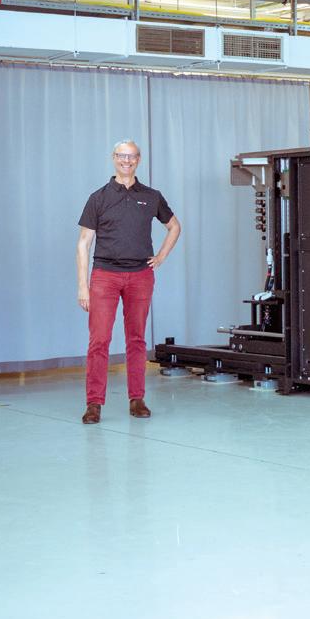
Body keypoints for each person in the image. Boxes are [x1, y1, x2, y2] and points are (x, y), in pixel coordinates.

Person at [77, 139, 181, 423]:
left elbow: (174, 226)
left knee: (136, 339)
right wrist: (83, 286)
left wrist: (161, 256)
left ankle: (137, 399)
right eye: (122, 156)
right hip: (105, 276)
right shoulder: (98, 198)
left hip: (140, 276)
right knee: (99, 340)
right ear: (114, 158)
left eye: (132, 156)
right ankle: (94, 403)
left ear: (138, 160)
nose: (127, 160)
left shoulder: (151, 196)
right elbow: (84, 243)